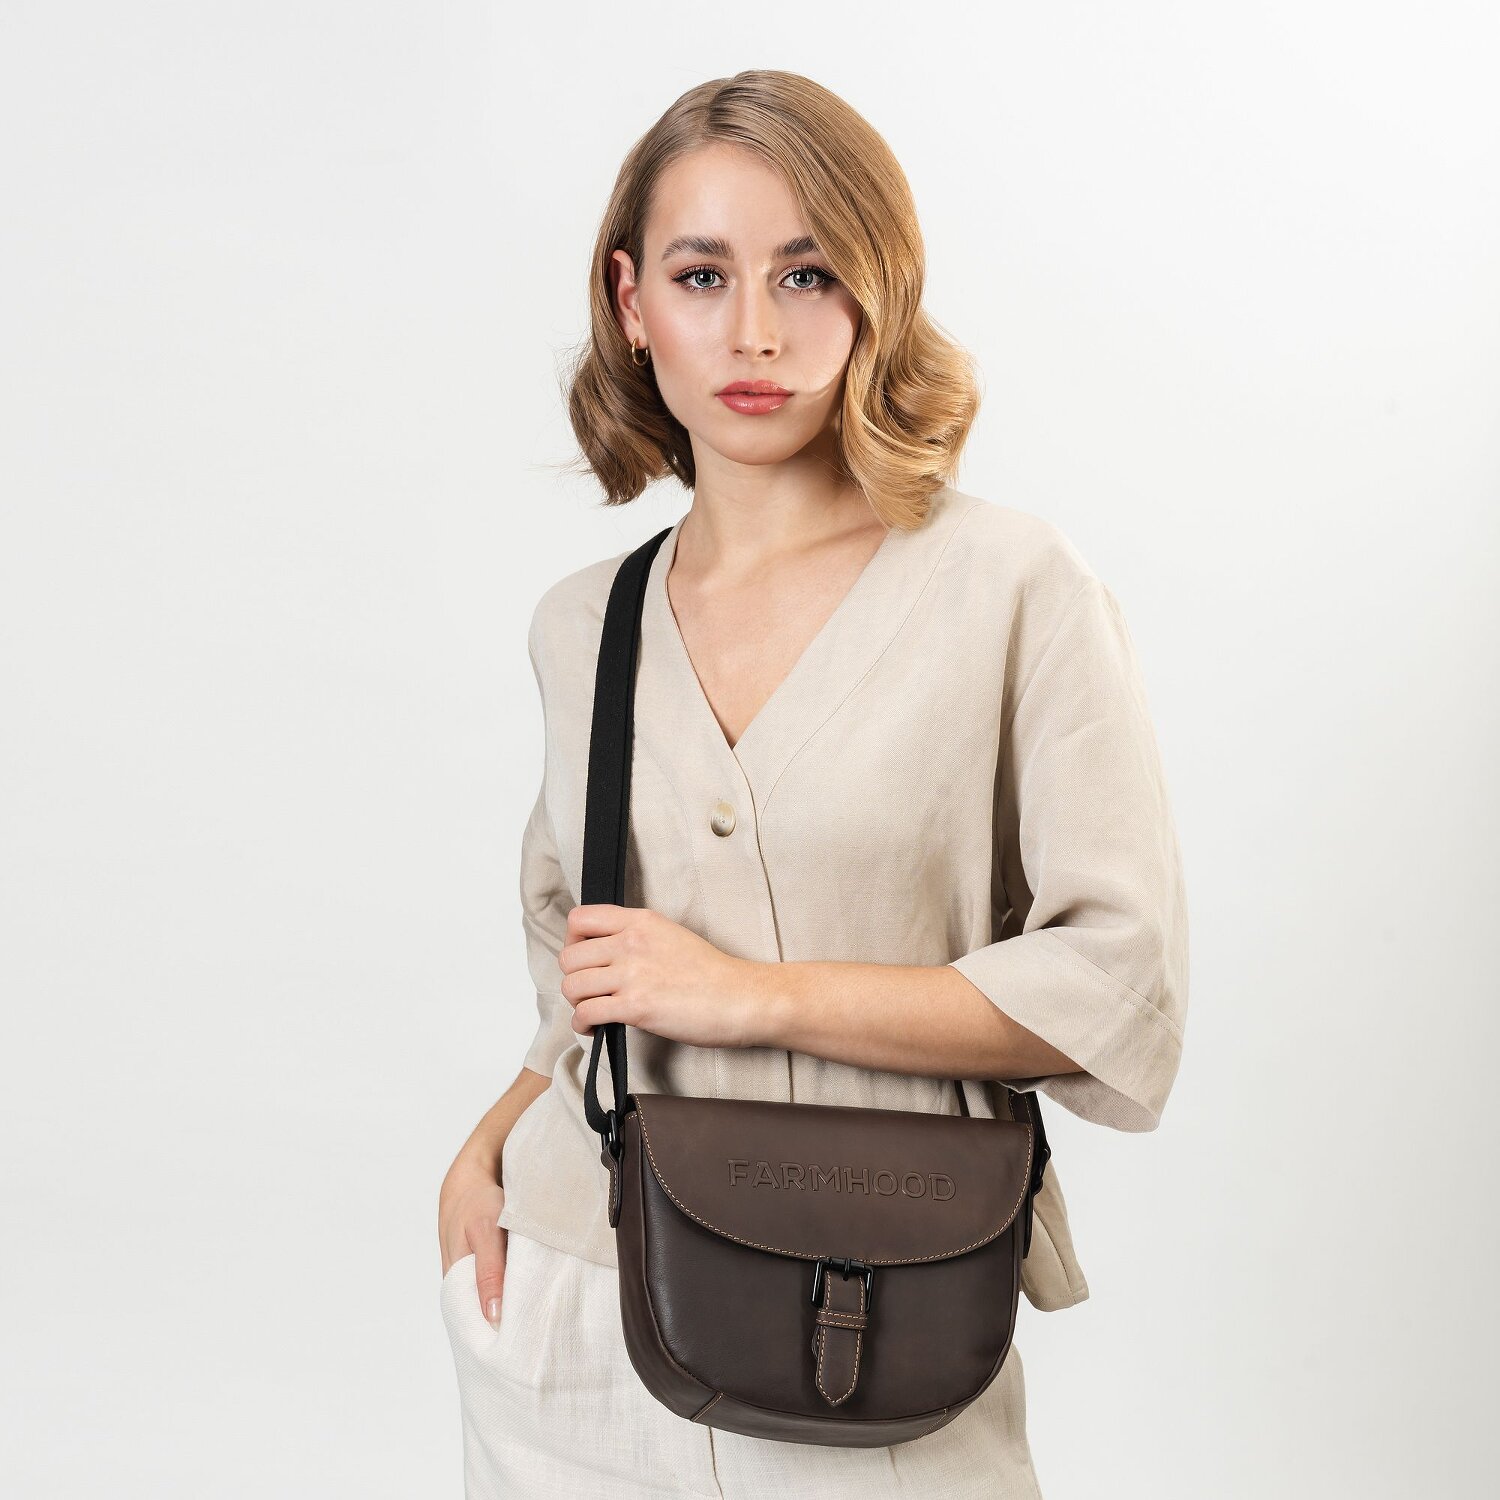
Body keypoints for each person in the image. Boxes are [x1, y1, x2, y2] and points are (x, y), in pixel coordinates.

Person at [437, 68, 1189, 1499]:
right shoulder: (583, 625)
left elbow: (1115, 980)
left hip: (883, 1313)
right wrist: (485, 1147)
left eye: (807, 272)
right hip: (576, 1303)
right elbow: (576, 970)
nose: (756, 333)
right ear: (630, 300)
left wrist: (750, 996)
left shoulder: (1014, 588)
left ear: (877, 292)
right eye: (701, 275)